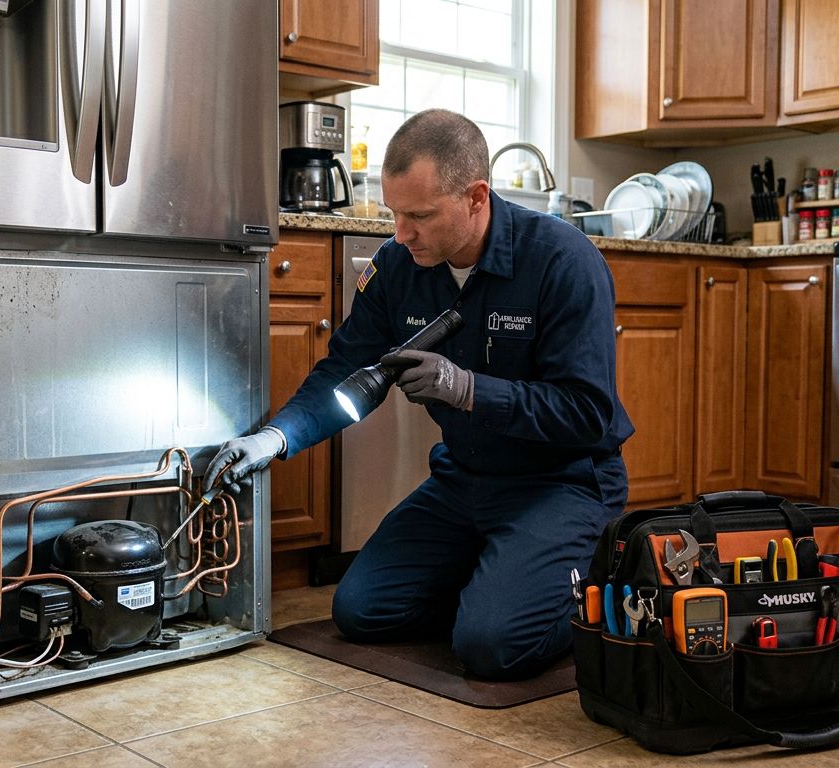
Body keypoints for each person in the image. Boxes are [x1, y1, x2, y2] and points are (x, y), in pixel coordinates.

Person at [204, 109, 633, 679]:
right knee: (360, 611)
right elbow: (344, 368)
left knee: (491, 649)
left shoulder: (562, 261)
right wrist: (274, 438)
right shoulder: (397, 267)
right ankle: (502, 583)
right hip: (462, 481)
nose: (401, 234)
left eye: (420, 216)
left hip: (561, 483)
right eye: (394, 214)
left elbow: (585, 414)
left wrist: (470, 390)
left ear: (477, 197)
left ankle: (584, 576)